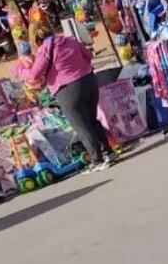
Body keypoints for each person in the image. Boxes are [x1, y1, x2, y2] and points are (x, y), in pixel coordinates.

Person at [26, 24, 115, 171]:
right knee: (93, 120)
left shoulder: (44, 50)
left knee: (82, 126)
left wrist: (20, 69)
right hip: (88, 81)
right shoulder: (71, 40)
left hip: (67, 89)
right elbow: (89, 55)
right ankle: (108, 152)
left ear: (35, 39)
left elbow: (34, 75)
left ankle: (97, 159)